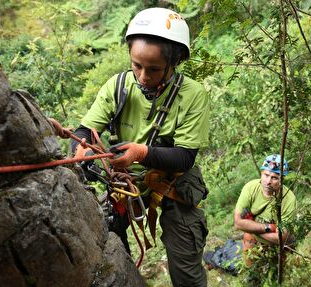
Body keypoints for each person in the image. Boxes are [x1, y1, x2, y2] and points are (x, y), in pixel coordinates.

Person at [71, 7, 210, 287]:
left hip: (173, 182)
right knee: (107, 244)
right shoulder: (120, 85)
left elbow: (185, 157)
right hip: (124, 183)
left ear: (177, 60)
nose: (143, 76)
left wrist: (141, 153)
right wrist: (82, 147)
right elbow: (87, 130)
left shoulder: (192, 95)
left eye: (154, 69)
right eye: (137, 65)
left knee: (186, 269)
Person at [234, 154, 297, 267]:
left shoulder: (289, 199)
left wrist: (250, 225)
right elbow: (238, 223)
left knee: (283, 267)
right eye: (266, 175)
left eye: (274, 178)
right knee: (248, 246)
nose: (268, 181)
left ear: (282, 179)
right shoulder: (251, 188)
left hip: (277, 242)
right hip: (258, 237)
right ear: (261, 174)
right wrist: (272, 228)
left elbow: (281, 237)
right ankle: (251, 274)